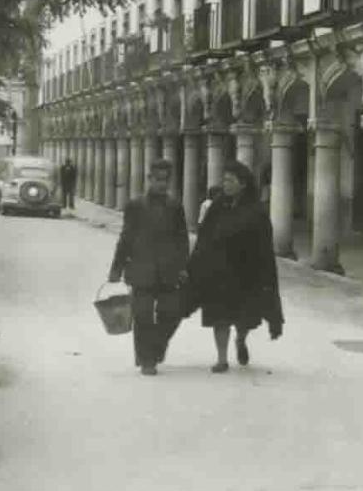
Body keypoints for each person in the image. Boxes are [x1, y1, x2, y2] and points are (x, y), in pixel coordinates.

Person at [186, 159, 284, 373]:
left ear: (243, 184)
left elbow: (264, 246)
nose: (225, 184)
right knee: (219, 316)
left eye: (230, 180)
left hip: (245, 273)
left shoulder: (256, 212)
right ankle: (221, 359)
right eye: (224, 180)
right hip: (219, 271)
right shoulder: (217, 206)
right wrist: (197, 263)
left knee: (244, 318)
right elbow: (204, 236)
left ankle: (240, 339)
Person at [107, 159, 189, 377]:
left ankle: (157, 348)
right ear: (149, 179)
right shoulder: (135, 206)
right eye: (158, 179)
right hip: (141, 270)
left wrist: (183, 266)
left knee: (171, 313)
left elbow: (182, 239)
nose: (162, 184)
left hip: (169, 270)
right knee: (142, 315)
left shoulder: (175, 206)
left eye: (166, 180)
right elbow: (126, 237)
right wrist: (117, 268)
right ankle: (146, 360)